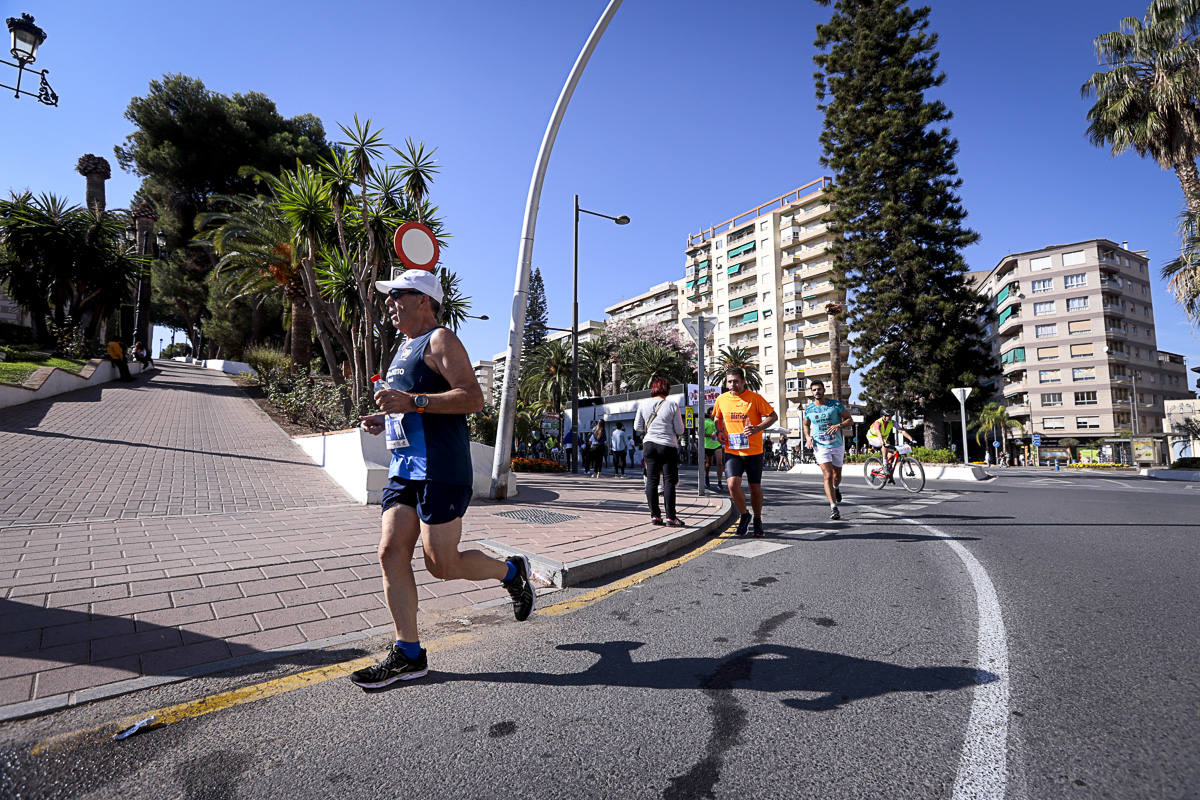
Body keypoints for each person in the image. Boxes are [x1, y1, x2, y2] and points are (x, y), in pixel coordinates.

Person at [351, 270, 535, 688]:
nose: (389, 303)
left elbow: (473, 397)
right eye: (389, 296)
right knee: (389, 551)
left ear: (423, 300)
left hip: (442, 470)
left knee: (442, 565)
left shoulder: (441, 340)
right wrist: (387, 416)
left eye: (396, 295)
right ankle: (409, 653)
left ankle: (510, 573)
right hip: (404, 469)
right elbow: (414, 408)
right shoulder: (403, 349)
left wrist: (412, 401)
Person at [713, 367, 778, 537]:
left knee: (755, 489)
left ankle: (757, 519)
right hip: (732, 450)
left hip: (754, 451)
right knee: (732, 485)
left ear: (743, 382)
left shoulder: (755, 399)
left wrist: (757, 428)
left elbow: (773, 416)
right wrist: (720, 431)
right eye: (729, 381)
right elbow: (717, 417)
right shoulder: (721, 399)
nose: (732, 384)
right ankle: (744, 515)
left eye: (736, 381)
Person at [634, 376, 685, 526]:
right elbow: (680, 429)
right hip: (667, 446)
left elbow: (638, 427)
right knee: (669, 481)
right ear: (667, 389)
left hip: (649, 445)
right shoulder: (672, 405)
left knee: (652, 480)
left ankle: (655, 516)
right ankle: (671, 517)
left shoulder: (643, 404)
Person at [803, 379, 853, 520]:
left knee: (837, 476)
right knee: (828, 476)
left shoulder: (835, 405)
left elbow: (850, 419)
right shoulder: (809, 409)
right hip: (820, 446)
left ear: (824, 390)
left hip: (837, 444)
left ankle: (836, 489)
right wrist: (807, 437)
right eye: (814, 390)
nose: (817, 392)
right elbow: (806, 424)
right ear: (811, 392)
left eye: (819, 389)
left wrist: (839, 426)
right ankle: (833, 507)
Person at [866, 410, 916, 484]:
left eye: (890, 415)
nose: (890, 417)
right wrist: (883, 442)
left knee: (891, 456)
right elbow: (878, 433)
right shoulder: (878, 422)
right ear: (883, 416)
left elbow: (901, 431)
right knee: (886, 443)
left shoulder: (892, 422)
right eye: (888, 415)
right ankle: (885, 463)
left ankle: (887, 472)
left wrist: (911, 439)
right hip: (872, 438)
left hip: (883, 439)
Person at [703, 406, 724, 487]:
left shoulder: (719, 422)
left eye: (714, 413)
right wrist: (710, 435)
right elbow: (701, 434)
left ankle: (719, 482)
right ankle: (707, 477)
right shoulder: (706, 422)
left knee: (720, 463)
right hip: (708, 445)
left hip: (717, 444)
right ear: (709, 414)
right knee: (709, 464)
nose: (713, 414)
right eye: (712, 413)